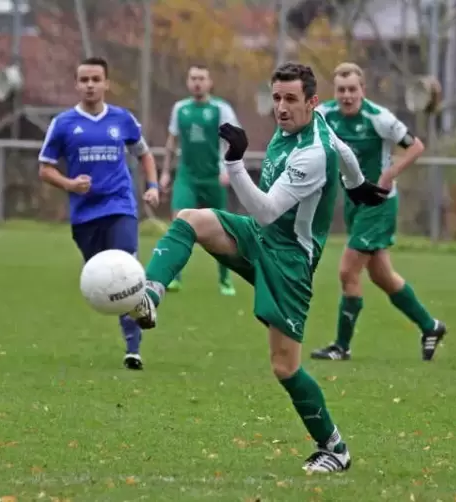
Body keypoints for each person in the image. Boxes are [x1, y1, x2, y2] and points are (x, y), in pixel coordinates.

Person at [127, 62, 389, 473]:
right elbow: (346, 150)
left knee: (285, 367)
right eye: (277, 98)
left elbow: (267, 211)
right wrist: (356, 183)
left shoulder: (311, 154)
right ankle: (149, 294)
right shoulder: (316, 124)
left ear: (312, 102)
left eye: (291, 100)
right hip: (263, 237)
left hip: (289, 260)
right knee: (190, 220)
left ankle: (335, 448)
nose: (281, 108)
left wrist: (234, 162)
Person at [310, 62, 446, 362]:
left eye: (352, 89)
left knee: (347, 271)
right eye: (341, 90)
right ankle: (430, 326)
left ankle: (341, 347)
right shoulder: (324, 114)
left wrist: (389, 174)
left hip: (378, 203)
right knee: (383, 276)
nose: (347, 95)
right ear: (335, 92)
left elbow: (415, 146)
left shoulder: (378, 118)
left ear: (363, 91)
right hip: (353, 201)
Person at [38, 57, 160, 371]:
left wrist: (153, 186)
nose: (90, 85)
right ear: (76, 84)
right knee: (106, 280)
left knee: (124, 271)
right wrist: (70, 184)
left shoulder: (123, 119)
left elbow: (144, 154)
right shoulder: (63, 124)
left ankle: (133, 348)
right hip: (84, 216)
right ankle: (133, 320)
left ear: (106, 83)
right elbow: (45, 169)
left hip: (120, 206)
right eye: (84, 79)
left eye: (96, 79)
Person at [161, 64, 240, 296]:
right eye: (193, 78)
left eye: (201, 78)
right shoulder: (180, 109)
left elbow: (234, 140)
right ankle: (175, 277)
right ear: (188, 82)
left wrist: (228, 168)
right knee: (179, 223)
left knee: (220, 230)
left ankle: (225, 279)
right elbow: (171, 142)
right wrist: (166, 172)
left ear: (209, 82)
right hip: (187, 175)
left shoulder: (220, 109)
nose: (197, 82)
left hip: (213, 177)